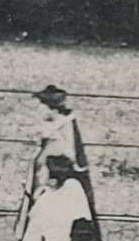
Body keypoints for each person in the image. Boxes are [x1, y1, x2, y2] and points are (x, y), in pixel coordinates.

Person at [31, 84, 98, 223]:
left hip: (62, 182)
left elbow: (67, 155)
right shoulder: (56, 126)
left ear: (52, 108)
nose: (37, 110)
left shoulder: (62, 128)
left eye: (41, 105)